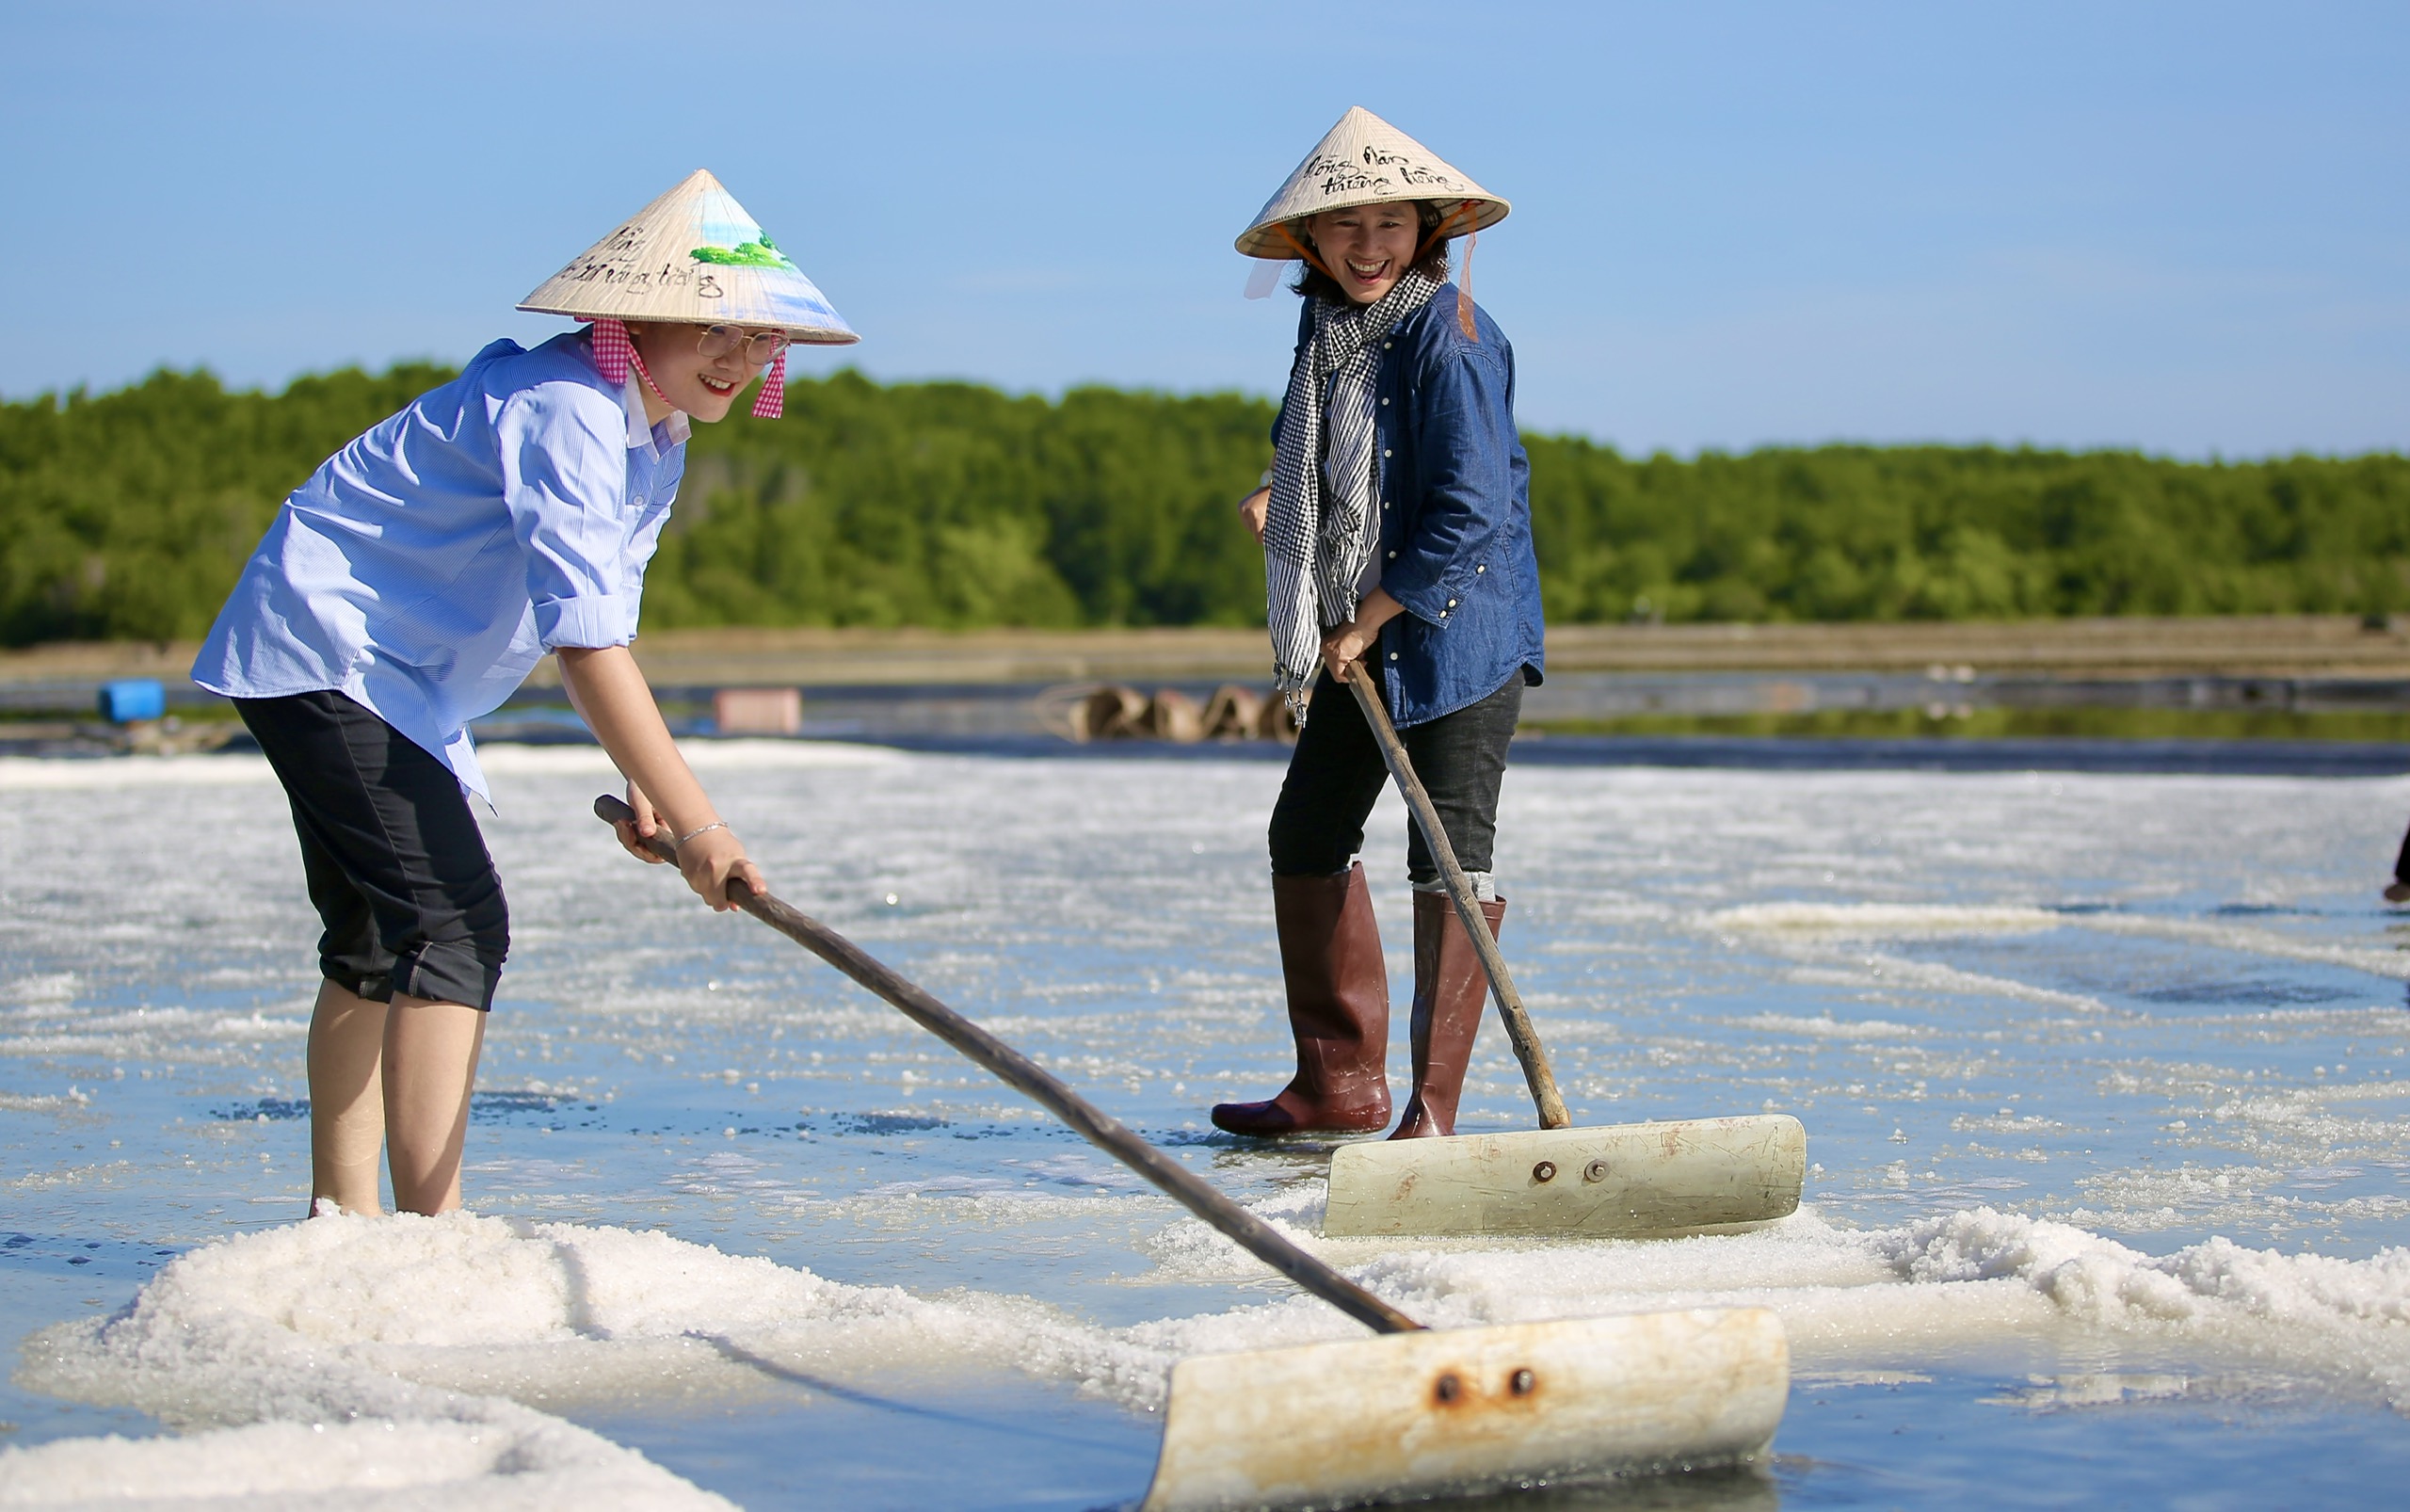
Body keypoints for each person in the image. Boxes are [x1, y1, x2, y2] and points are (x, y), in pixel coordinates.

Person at [192, 170, 857, 1215]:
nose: (740, 359)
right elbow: (583, 644)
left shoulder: (655, 432)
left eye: (761, 341)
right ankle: (425, 1231)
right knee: (452, 927)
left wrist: (646, 788)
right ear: (631, 320)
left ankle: (342, 1219)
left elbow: (600, 627)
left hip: (385, 676)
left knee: (377, 934)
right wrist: (703, 823)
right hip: (331, 649)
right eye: (712, 331)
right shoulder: (569, 406)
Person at [1211, 108, 1546, 1140]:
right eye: (1345, 226)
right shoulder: (1328, 337)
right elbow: (1354, 468)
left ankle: (1430, 1115)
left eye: (1391, 224)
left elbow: (1469, 506)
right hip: (1366, 634)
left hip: (1457, 632)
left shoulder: (1448, 333)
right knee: (1306, 832)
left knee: (1447, 856)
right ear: (1308, 241)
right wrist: (1287, 493)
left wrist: (1369, 614)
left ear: (1428, 233)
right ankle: (1336, 1086)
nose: (1369, 246)